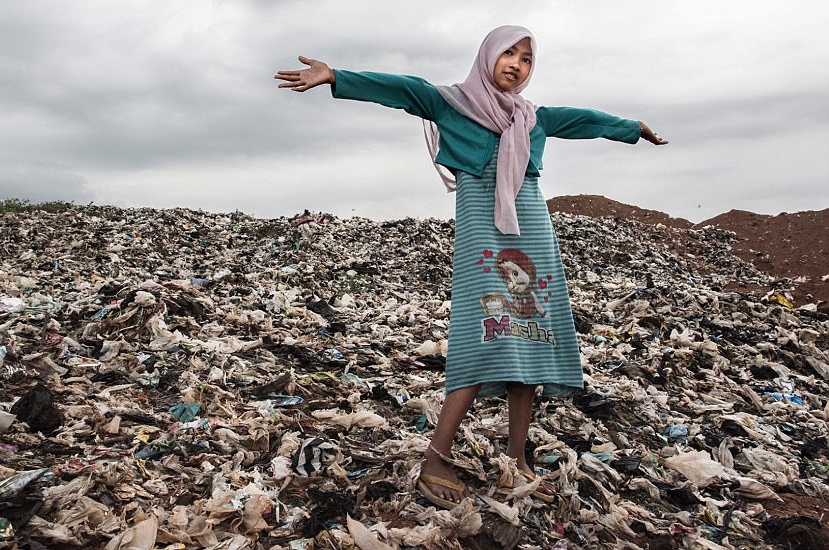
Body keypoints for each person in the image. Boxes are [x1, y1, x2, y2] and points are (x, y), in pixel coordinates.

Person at [275, 25, 667, 509]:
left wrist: (634, 129)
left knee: (531, 335)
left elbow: (585, 120)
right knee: (480, 335)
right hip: (484, 227)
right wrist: (336, 75)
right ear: (487, 56)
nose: (517, 64)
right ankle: (435, 459)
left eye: (527, 58)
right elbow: (402, 89)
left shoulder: (531, 117)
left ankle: (516, 459)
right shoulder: (452, 103)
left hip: (532, 231)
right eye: (509, 53)